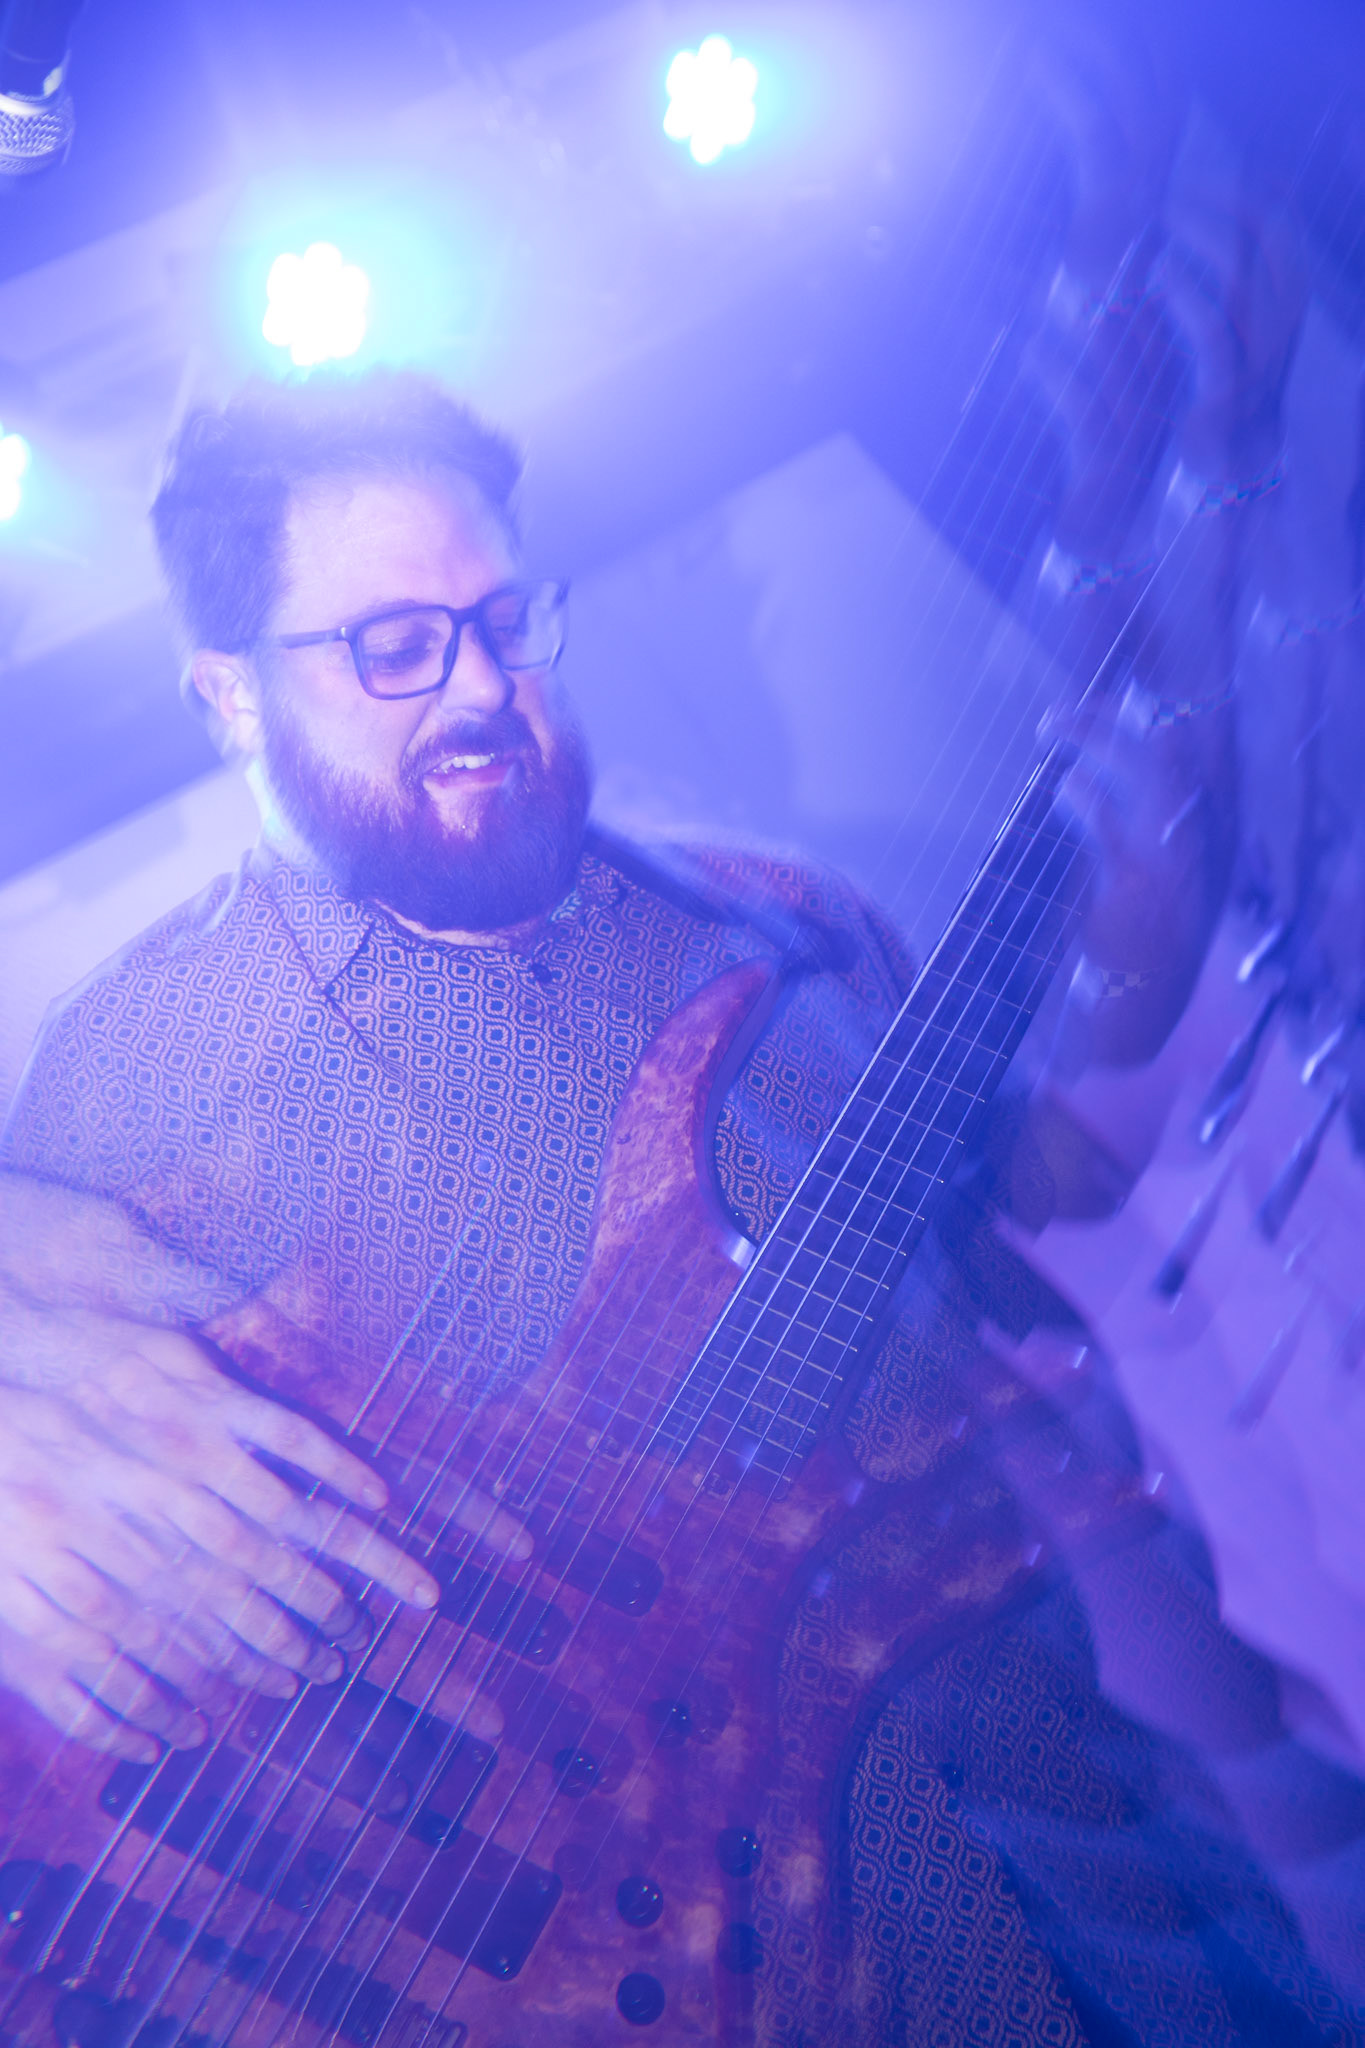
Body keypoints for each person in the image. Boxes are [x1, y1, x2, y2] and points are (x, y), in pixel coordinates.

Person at [0, 202, 1358, 2042]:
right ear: (228, 695)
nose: (479, 689)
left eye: (502, 622)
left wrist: (1134, 926)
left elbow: (1027, 1208)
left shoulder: (770, 915)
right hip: (671, 1951)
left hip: (1078, 1815)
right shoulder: (158, 1055)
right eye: (391, 647)